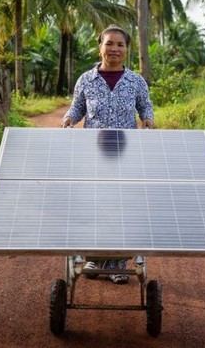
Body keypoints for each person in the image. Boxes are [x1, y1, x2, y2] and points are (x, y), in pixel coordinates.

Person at [61, 25, 154, 284]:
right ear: (100, 46)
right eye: (109, 43)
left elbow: (145, 106)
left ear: (126, 49)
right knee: (94, 205)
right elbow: (77, 108)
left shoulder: (136, 81)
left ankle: (117, 263)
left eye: (120, 45)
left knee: (123, 207)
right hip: (94, 153)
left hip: (127, 153)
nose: (114, 49)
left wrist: (147, 119)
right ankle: (94, 258)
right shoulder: (85, 80)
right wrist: (69, 118)